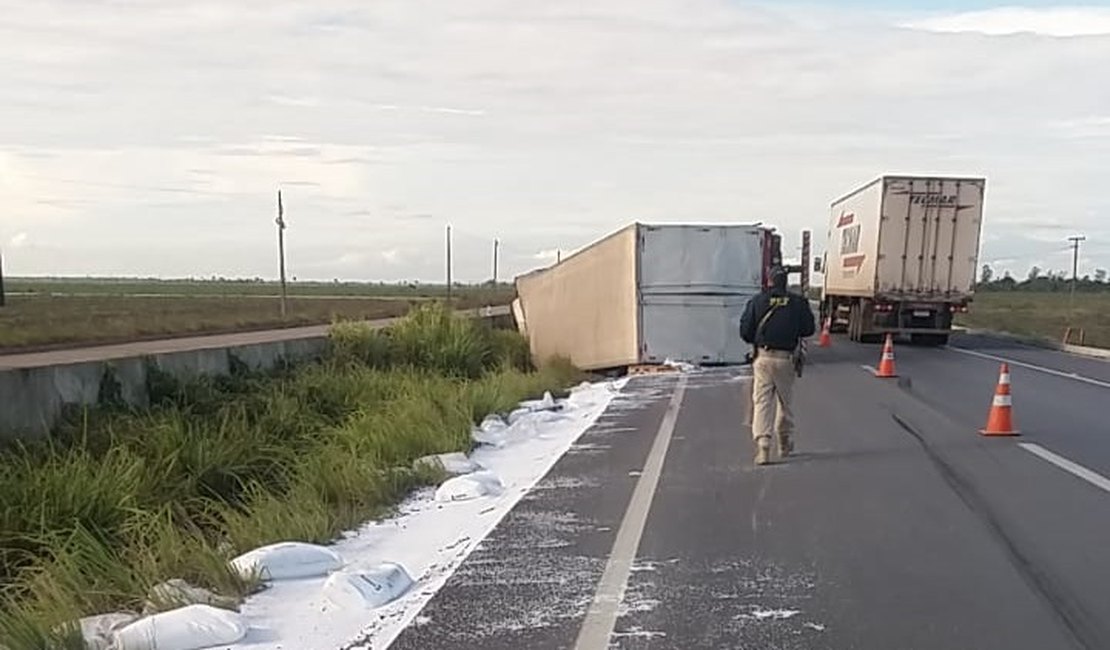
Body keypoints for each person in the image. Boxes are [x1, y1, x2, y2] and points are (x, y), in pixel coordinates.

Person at [739, 267, 816, 465]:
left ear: (770, 281)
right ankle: (784, 442)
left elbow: (745, 331)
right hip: (786, 359)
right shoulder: (798, 302)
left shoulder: (758, 301)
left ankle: (763, 445)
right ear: (786, 282)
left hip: (763, 358)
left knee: (762, 401)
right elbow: (808, 329)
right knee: (785, 402)